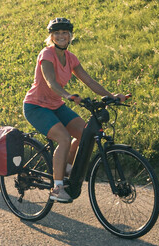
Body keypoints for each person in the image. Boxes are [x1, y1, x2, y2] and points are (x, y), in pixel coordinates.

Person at [23, 17, 130, 203]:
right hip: (36, 106)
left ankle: (65, 168)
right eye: (57, 33)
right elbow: (50, 81)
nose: (61, 36)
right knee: (63, 138)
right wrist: (67, 95)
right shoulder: (47, 54)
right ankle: (57, 188)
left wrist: (112, 96)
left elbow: (89, 81)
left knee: (85, 133)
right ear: (51, 36)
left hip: (56, 105)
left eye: (65, 33)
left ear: (70, 36)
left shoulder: (71, 58)